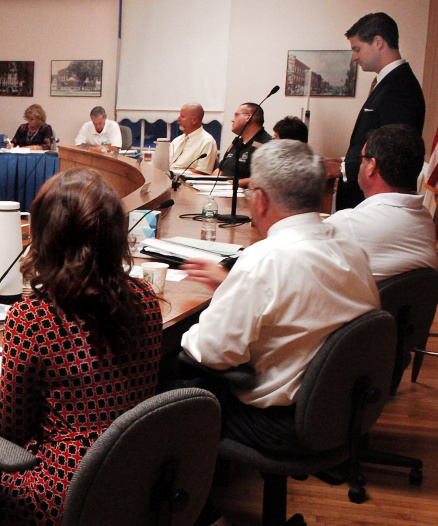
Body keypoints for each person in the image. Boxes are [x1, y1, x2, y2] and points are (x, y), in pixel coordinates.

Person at [180, 139, 378, 458]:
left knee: (167, 389)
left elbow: (210, 352)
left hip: (280, 426)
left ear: (259, 199)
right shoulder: (352, 249)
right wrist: (236, 287)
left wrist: (197, 323)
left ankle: (197, 506)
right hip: (340, 412)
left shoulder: (264, 261)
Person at [0, 167, 163, 526]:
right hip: (135, 478)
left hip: (64, 492)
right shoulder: (145, 298)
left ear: (46, 235)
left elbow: (11, 432)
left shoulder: (33, 317)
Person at [328, 12, 426, 210]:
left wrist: (343, 168)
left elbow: (393, 152)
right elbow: (373, 137)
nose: (354, 57)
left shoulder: (401, 87)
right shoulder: (388, 82)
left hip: (378, 203)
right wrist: (344, 160)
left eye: (357, 49)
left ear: (378, 42)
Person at [324, 124, 437, 282]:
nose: (359, 165)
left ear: (372, 166)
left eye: (360, 159)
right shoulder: (425, 219)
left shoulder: (347, 224)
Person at [213, 102, 272, 183]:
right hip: (222, 191)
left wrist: (232, 183)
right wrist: (210, 183)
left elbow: (264, 178)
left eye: (236, 115)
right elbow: (220, 169)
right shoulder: (237, 142)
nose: (232, 120)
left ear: (248, 117)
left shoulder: (266, 144)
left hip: (244, 193)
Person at [169, 103, 218, 174]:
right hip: (169, 180)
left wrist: (174, 172)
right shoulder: (177, 140)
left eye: (182, 117)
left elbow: (202, 171)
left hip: (186, 183)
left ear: (194, 120)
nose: (178, 119)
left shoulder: (207, 141)